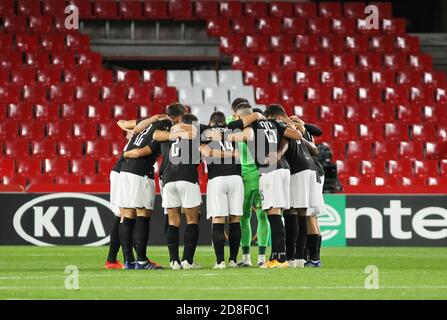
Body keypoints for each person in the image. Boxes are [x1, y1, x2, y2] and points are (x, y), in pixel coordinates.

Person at [230, 102, 303, 269]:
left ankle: (280, 259)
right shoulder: (275, 123)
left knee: (273, 214)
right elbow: (297, 135)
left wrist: (217, 136)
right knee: (276, 213)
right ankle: (276, 256)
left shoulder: (252, 127)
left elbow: (232, 131)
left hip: (269, 171)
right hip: (284, 169)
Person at [118, 114, 170, 270]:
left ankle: (129, 261)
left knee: (127, 215)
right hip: (140, 173)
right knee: (143, 214)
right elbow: (143, 152)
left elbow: (123, 123)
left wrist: (124, 154)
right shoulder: (163, 128)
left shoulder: (144, 126)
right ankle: (141, 261)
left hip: (125, 170)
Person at [154, 112, 202, 270]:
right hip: (187, 176)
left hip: (168, 178)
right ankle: (187, 260)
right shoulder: (195, 133)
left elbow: (155, 135)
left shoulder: (167, 134)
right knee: (192, 219)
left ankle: (174, 261)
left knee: (173, 220)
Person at [226, 98, 270, 267]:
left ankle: (246, 259)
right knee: (262, 215)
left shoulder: (232, 122)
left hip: (243, 176)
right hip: (262, 174)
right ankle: (261, 258)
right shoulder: (262, 124)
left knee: (243, 217)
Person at [105, 119, 137, 269]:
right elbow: (120, 123)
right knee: (125, 216)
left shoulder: (135, 138)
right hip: (121, 173)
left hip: (121, 172)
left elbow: (121, 124)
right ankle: (127, 259)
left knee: (123, 217)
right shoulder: (137, 138)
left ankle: (114, 259)